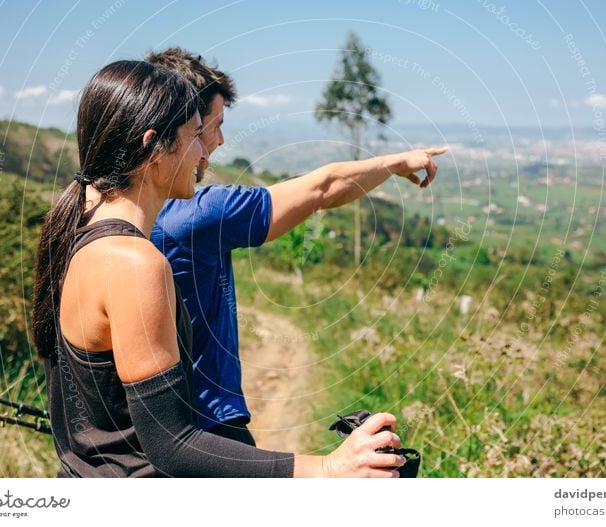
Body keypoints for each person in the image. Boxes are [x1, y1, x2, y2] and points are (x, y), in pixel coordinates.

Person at [32, 59, 406, 477]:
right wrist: (330, 468)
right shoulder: (134, 264)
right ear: (153, 145)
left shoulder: (76, 229)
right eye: (196, 135)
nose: (205, 150)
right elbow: (170, 443)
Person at [145, 47, 447, 444]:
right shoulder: (197, 215)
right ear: (181, 125)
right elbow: (323, 188)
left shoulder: (102, 212)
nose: (218, 141)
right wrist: (395, 163)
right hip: (209, 426)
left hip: (147, 429)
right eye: (212, 125)